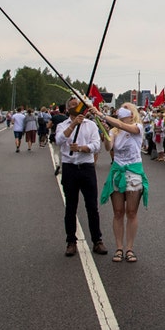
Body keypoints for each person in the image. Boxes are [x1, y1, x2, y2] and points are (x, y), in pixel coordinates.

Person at [94, 103, 148, 264]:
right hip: (117, 172)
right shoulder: (114, 130)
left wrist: (101, 114)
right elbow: (108, 147)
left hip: (134, 173)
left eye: (127, 107)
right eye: (122, 107)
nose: (123, 109)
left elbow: (121, 125)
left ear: (132, 113)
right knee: (118, 212)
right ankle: (119, 248)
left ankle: (129, 249)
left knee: (131, 212)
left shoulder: (137, 127)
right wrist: (105, 134)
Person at [55, 97, 107, 257]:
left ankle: (97, 240)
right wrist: (73, 125)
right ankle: (71, 241)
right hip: (70, 168)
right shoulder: (62, 125)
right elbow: (58, 140)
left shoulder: (90, 125)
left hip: (86, 168)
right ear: (67, 108)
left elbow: (97, 145)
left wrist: (83, 148)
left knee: (92, 206)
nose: (73, 106)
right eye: (70, 105)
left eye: (76, 105)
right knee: (70, 206)